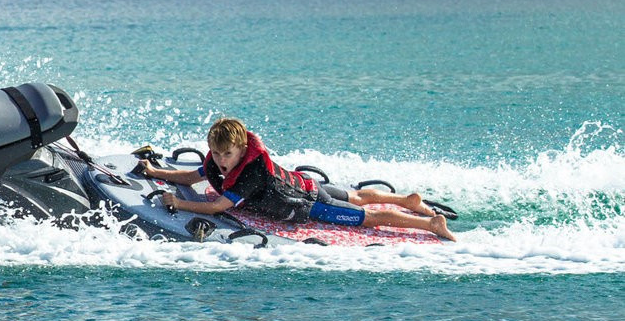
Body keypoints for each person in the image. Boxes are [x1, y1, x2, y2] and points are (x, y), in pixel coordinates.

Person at [138, 117, 455, 241]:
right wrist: (155, 173)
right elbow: (194, 174)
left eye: (227, 156)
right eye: (217, 154)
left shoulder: (249, 172)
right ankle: (408, 200)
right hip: (302, 182)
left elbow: (219, 205)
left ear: (242, 148)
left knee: (367, 218)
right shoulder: (219, 157)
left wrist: (178, 202)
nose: (220, 162)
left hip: (307, 203)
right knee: (357, 195)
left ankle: (431, 225)